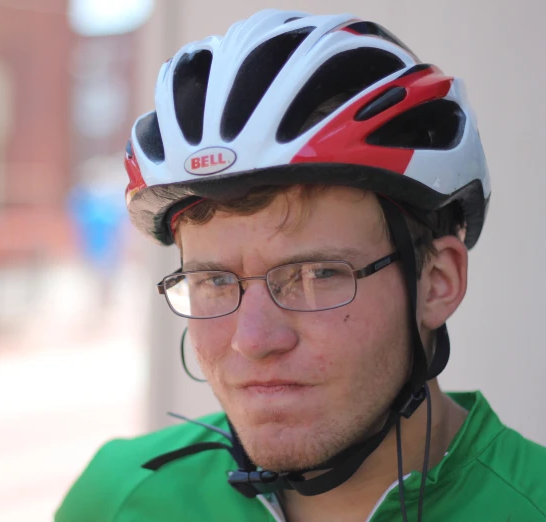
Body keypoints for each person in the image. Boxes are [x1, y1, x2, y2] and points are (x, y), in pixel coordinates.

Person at [56, 10, 546, 522]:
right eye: (215, 281)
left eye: (315, 275)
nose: (254, 339)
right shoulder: (118, 498)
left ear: (437, 282)